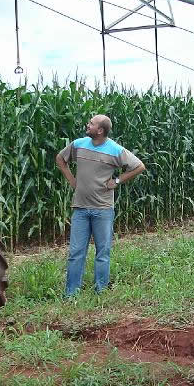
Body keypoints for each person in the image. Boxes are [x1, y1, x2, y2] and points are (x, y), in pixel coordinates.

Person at [56, 114, 145, 296]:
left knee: (102, 253)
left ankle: (101, 292)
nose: (87, 125)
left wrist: (117, 180)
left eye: (91, 123)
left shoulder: (114, 149)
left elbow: (139, 166)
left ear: (100, 130)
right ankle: (71, 293)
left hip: (103, 209)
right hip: (80, 208)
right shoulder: (79, 144)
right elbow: (60, 159)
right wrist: (73, 181)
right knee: (75, 253)